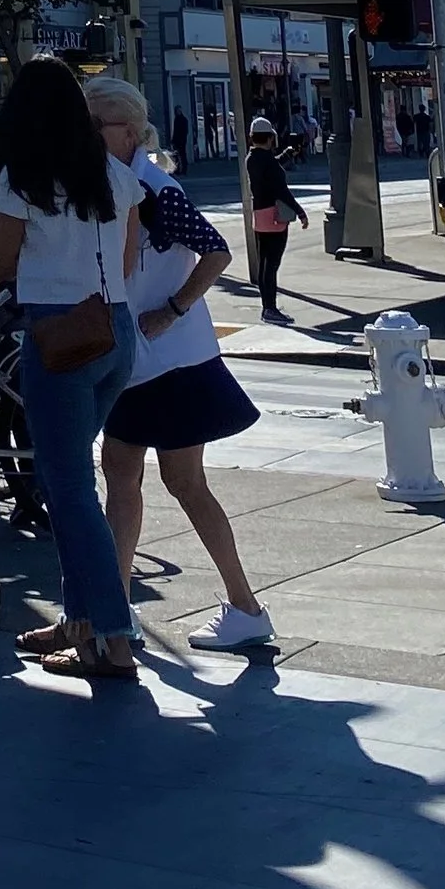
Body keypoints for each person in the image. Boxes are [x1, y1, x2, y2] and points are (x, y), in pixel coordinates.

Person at [86, 77, 272, 653]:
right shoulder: (122, 182)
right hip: (149, 357)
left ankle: (241, 606)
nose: (90, 135)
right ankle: (121, 611)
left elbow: (216, 250)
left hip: (170, 358)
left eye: (100, 125)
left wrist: (171, 309)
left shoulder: (151, 187)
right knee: (130, 471)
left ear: (133, 132)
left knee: (176, 479)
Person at [0, 53, 147, 681]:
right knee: (68, 483)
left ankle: (114, 636)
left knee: (70, 487)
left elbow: (1, 262)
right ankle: (79, 624)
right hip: (117, 329)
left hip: (58, 335)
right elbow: (129, 256)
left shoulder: (22, 177)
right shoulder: (113, 172)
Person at [245, 117, 307, 320]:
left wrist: (287, 154)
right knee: (272, 265)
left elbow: (270, 166)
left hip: (260, 215)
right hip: (274, 216)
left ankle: (267, 307)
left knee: (264, 263)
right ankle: (270, 308)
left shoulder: (252, 158)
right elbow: (282, 190)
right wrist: (300, 211)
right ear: (271, 138)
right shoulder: (267, 161)